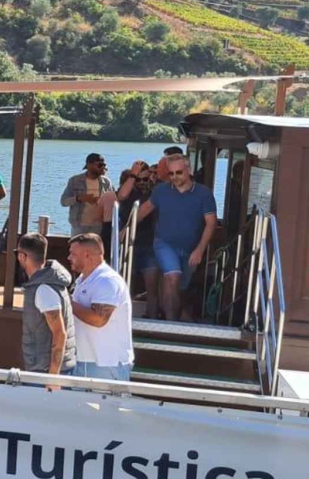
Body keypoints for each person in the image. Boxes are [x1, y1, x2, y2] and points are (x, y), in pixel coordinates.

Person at [137, 154, 217, 322]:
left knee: (180, 288)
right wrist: (125, 229)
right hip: (164, 243)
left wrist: (200, 250)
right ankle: (170, 324)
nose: (174, 177)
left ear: (189, 170)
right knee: (173, 276)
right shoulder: (161, 190)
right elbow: (144, 210)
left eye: (178, 172)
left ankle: (176, 318)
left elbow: (211, 224)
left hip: (190, 249)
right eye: (171, 173)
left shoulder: (204, 194)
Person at [67, 232, 134, 381]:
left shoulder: (108, 281)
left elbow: (99, 319)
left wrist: (67, 302)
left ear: (87, 255)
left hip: (106, 365)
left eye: (73, 254)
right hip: (84, 362)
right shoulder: (83, 280)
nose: (69, 257)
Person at [17, 233, 76, 377]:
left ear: (22, 257)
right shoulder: (51, 283)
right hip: (48, 370)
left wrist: (53, 376)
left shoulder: (43, 290)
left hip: (46, 372)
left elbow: (59, 333)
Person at [116, 160, 160, 305]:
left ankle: (152, 316)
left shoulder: (155, 193)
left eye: (145, 179)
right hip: (129, 244)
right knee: (125, 285)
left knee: (152, 288)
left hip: (149, 245)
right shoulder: (129, 192)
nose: (141, 183)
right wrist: (133, 175)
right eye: (138, 180)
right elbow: (121, 196)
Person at [61, 153, 112, 238]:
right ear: (89, 165)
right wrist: (79, 198)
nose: (103, 168)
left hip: (98, 226)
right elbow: (63, 201)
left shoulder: (106, 182)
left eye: (104, 165)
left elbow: (111, 202)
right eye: (100, 165)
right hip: (79, 226)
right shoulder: (74, 181)